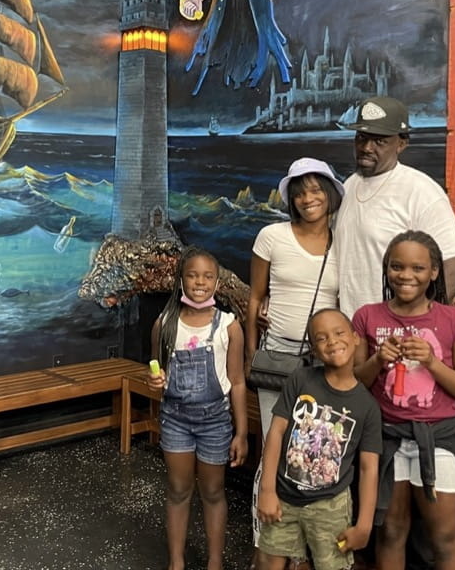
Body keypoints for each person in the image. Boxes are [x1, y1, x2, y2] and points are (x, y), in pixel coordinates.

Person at [351, 230, 455, 570]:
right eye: (397, 267)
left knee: (444, 539)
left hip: (438, 439)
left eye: (418, 268)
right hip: (386, 438)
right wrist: (377, 360)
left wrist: (432, 362)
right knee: (391, 532)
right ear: (386, 269)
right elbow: (354, 385)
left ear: (434, 272)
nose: (406, 275)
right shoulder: (367, 316)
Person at [245, 157, 343, 565]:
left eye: (316, 189)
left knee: (313, 456)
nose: (308, 198)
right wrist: (252, 354)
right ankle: (266, 546)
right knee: (274, 451)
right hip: (278, 358)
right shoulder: (272, 236)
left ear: (331, 193)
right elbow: (255, 299)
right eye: (300, 192)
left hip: (324, 365)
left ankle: (301, 552)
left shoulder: (344, 242)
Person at [255, 308, 381, 570]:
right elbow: (276, 432)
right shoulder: (301, 379)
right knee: (268, 561)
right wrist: (266, 491)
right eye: (321, 338)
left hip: (331, 506)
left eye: (339, 333)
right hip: (284, 497)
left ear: (355, 338)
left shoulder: (367, 406)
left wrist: (364, 525)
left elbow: (369, 468)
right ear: (313, 349)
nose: (332, 341)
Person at [148, 246, 249, 570]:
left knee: (213, 491)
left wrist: (241, 432)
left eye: (207, 276)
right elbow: (156, 371)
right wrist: (155, 381)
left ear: (217, 282)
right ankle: (176, 562)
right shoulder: (165, 323)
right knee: (178, 490)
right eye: (192, 275)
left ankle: (215, 562)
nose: (200, 282)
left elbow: (237, 381)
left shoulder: (228, 326)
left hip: (215, 422)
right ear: (181, 280)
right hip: (175, 420)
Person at [334, 96, 455, 319]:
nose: (366, 148)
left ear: (401, 144)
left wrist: (421, 322)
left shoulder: (421, 191)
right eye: (362, 138)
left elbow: (454, 264)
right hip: (350, 327)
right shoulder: (349, 185)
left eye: (380, 141)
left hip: (396, 331)